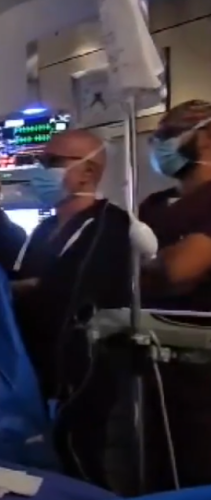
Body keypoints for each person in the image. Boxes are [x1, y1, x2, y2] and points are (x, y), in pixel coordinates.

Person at [11, 130, 133, 487]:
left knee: (80, 464)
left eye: (50, 162)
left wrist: (28, 289)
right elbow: (22, 284)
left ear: (88, 172)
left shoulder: (109, 223)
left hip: (83, 375)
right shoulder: (45, 229)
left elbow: (74, 294)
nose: (39, 170)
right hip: (36, 371)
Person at [139, 99, 211, 490]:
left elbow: (180, 270)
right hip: (156, 366)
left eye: (170, 134)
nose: (160, 144)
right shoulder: (154, 206)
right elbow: (127, 273)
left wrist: (154, 263)